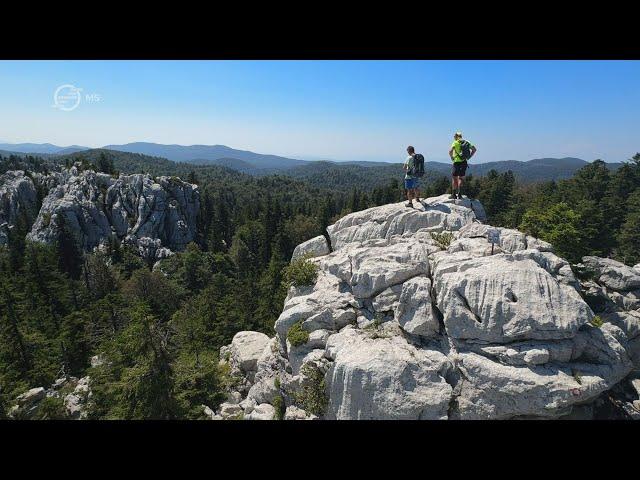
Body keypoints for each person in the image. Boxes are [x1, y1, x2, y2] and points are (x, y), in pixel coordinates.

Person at [448, 132, 477, 199]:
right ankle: (460, 194)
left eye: (454, 136)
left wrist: (452, 157)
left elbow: (450, 151)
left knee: (454, 178)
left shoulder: (455, 142)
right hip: (464, 162)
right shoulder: (467, 142)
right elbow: (474, 149)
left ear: (456, 136)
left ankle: (453, 194)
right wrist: (469, 157)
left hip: (456, 162)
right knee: (460, 178)